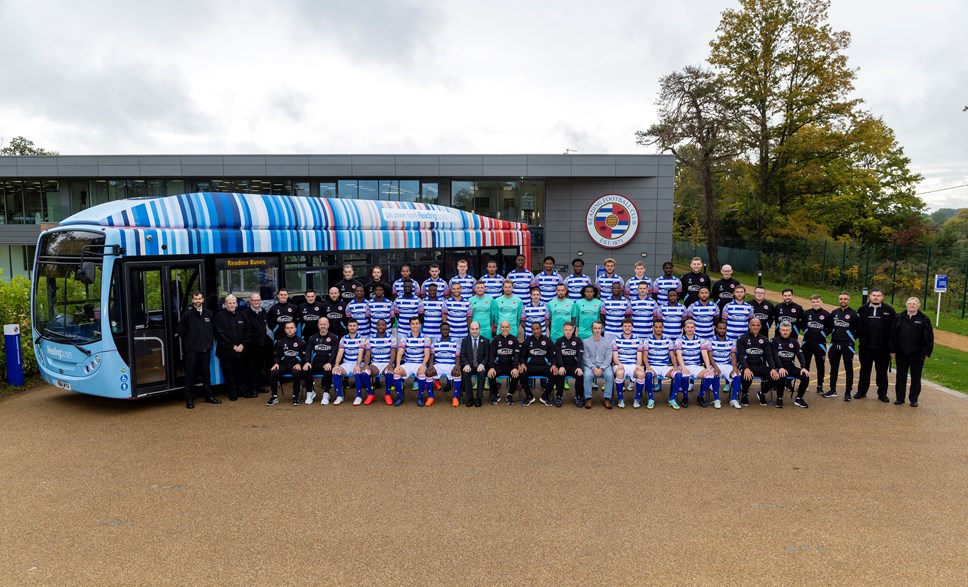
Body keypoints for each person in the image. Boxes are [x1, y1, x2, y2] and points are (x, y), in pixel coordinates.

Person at [177, 291, 220, 409]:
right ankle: (189, 399)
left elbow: (213, 330)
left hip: (205, 349)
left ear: (203, 300)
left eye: (199, 299)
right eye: (195, 299)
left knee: (206, 374)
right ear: (192, 300)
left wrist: (209, 341)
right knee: (190, 374)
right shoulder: (187, 315)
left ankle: (209, 396)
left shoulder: (209, 314)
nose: (197, 301)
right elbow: (180, 331)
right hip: (191, 351)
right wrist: (190, 342)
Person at [890, 297, 934, 407]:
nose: (912, 306)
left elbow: (929, 337)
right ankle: (900, 398)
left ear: (918, 305)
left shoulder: (924, 319)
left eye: (914, 304)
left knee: (916, 377)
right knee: (900, 376)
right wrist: (892, 350)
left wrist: (927, 352)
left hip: (917, 354)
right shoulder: (899, 317)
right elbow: (893, 335)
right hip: (901, 352)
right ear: (906, 305)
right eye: (909, 303)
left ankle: (913, 399)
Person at [855, 288, 896, 402]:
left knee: (882, 372)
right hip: (866, 347)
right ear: (870, 296)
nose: (876, 297)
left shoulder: (889, 310)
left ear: (882, 297)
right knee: (864, 370)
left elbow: (893, 330)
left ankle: (882, 393)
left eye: (878, 295)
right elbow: (857, 328)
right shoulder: (862, 309)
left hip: (882, 348)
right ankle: (861, 391)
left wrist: (892, 348)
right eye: (874, 295)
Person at [735, 318, 780, 407]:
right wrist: (746, 368)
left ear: (760, 326)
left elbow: (769, 356)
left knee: (775, 377)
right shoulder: (742, 338)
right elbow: (740, 356)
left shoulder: (764, 339)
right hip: (747, 365)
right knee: (747, 375)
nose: (755, 327)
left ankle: (762, 393)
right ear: (749, 326)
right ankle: (744, 394)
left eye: (757, 325)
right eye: (753, 325)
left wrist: (773, 369)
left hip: (760, 365)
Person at [214, 294, 251, 401]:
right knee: (229, 373)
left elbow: (248, 331)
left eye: (233, 303)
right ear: (225, 304)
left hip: (242, 350)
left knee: (242, 372)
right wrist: (233, 346)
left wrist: (243, 344)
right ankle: (233, 393)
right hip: (226, 351)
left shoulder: (242, 315)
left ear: (237, 304)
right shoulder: (219, 316)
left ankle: (243, 391)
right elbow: (219, 335)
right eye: (229, 303)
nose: (231, 305)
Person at [392, 317, 432, 406]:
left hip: (420, 363)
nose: (415, 325)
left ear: (420, 325)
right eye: (413, 324)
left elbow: (427, 354)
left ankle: (420, 397)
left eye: (417, 323)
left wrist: (423, 365)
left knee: (422, 374)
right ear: (410, 325)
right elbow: (400, 352)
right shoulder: (405, 337)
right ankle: (400, 397)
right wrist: (398, 365)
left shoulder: (425, 337)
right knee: (396, 373)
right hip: (408, 363)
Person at [770, 322, 811, 408]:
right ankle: (780, 398)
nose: (785, 332)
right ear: (780, 330)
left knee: (805, 375)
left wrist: (803, 367)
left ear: (791, 331)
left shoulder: (794, 342)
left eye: (787, 330)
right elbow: (775, 356)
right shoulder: (774, 341)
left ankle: (799, 398)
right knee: (782, 374)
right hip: (779, 367)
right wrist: (780, 367)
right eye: (783, 330)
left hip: (790, 367)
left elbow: (800, 355)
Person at [827, 292, 860, 400]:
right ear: (839, 300)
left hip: (847, 345)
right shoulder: (834, 313)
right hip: (835, 343)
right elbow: (830, 327)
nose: (843, 301)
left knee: (848, 368)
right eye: (841, 299)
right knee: (833, 368)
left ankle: (847, 392)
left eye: (845, 299)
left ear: (849, 301)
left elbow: (859, 330)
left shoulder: (854, 314)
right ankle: (832, 390)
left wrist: (851, 339)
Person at [267, 322, 308, 407]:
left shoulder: (301, 342)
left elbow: (304, 356)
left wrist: (300, 364)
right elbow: (278, 356)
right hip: (284, 364)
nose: (289, 330)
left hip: (295, 364)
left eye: (291, 328)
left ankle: (295, 396)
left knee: (296, 372)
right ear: (285, 330)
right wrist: (276, 363)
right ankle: (274, 396)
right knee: (273, 371)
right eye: (288, 328)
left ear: (295, 329)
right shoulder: (280, 342)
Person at [641, 320, 678, 409]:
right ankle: (651, 398)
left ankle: (672, 399)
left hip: (665, 367)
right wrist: (647, 366)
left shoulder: (668, 340)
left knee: (679, 375)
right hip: (653, 366)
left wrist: (675, 366)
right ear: (653, 328)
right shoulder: (647, 340)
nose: (658, 329)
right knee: (648, 374)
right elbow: (644, 355)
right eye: (656, 327)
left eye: (660, 327)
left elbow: (672, 355)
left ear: (663, 328)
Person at [303, 317, 339, 406]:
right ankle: (310, 391)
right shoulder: (313, 338)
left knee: (327, 371)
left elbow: (334, 352)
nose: (323, 326)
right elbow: (308, 351)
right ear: (318, 325)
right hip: (316, 362)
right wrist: (307, 362)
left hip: (327, 363)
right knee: (306, 369)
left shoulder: (333, 337)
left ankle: (326, 394)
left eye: (325, 324)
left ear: (328, 325)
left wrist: (330, 362)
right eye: (321, 324)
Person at [702, 320, 737, 409]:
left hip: (726, 365)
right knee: (715, 374)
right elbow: (710, 356)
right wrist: (716, 368)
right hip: (714, 365)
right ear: (716, 329)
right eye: (720, 328)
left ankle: (734, 399)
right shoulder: (710, 341)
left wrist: (734, 368)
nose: (722, 330)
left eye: (724, 328)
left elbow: (733, 357)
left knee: (737, 375)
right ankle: (717, 399)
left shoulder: (731, 341)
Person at [611, 318, 646, 409]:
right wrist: (619, 364)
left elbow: (639, 357)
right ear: (622, 328)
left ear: (632, 328)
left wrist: (638, 365)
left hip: (633, 364)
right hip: (620, 363)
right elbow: (615, 357)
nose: (627, 328)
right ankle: (620, 398)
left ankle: (637, 398)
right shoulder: (616, 339)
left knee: (641, 374)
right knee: (619, 373)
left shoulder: (638, 340)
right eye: (625, 326)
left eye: (629, 326)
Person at [673, 319, 708, 408]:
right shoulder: (679, 340)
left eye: (692, 327)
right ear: (684, 329)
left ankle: (700, 396)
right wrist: (683, 368)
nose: (690, 329)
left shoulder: (701, 340)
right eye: (688, 327)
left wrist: (708, 368)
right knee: (685, 375)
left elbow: (704, 354)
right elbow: (679, 356)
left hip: (696, 366)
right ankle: (685, 397)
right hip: (684, 365)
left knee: (710, 375)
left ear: (694, 328)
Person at [519, 321, 555, 406]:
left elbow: (553, 356)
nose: (536, 331)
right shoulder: (527, 341)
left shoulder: (548, 341)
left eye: (537, 328)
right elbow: (522, 356)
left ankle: (545, 396)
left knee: (555, 374)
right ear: (531, 330)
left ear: (541, 329)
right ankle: (529, 396)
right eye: (533, 329)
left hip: (544, 366)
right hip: (530, 366)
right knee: (521, 373)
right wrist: (522, 363)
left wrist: (553, 365)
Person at [331, 318, 366, 406]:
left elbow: (360, 353)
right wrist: (336, 365)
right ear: (347, 327)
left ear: (357, 327)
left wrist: (358, 365)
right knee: (336, 371)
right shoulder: (343, 338)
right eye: (350, 326)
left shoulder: (362, 339)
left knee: (357, 371)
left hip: (358, 363)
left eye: (354, 326)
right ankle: (339, 396)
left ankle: (358, 396)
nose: (352, 327)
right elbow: (340, 353)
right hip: (347, 363)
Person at [242, 292, 272, 396]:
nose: (256, 302)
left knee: (260, 368)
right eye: (254, 300)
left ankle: (259, 386)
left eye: (258, 300)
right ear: (250, 301)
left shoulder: (263, 311)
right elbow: (246, 330)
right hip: (251, 346)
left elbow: (266, 328)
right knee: (252, 368)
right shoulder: (245, 313)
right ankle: (253, 389)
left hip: (262, 345)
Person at [427, 322, 463, 407]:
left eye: (447, 329)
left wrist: (457, 366)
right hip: (438, 365)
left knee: (457, 373)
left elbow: (457, 357)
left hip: (450, 365)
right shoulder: (435, 342)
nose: (445, 331)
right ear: (440, 330)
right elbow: (432, 356)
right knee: (428, 373)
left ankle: (455, 398)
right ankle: (431, 397)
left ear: (449, 330)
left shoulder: (455, 343)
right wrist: (430, 366)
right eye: (443, 329)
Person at [801, 294, 831, 395]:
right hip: (807, 343)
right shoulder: (806, 313)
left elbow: (830, 328)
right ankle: (805, 385)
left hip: (820, 344)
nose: (816, 304)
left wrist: (823, 334)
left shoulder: (827, 315)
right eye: (813, 302)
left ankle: (819, 386)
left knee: (820, 365)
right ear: (811, 302)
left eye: (817, 301)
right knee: (805, 365)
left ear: (821, 302)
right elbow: (802, 326)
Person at [363, 318, 397, 405]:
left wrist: (390, 365)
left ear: (386, 326)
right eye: (379, 325)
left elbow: (393, 353)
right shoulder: (370, 339)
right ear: (376, 326)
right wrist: (366, 364)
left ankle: (387, 394)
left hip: (387, 362)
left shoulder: (392, 338)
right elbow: (367, 354)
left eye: (383, 325)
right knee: (364, 372)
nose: (380, 326)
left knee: (389, 373)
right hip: (375, 364)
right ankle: (370, 394)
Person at [488, 320, 521, 405]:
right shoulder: (495, 339)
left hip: (510, 365)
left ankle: (510, 394)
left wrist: (515, 367)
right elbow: (491, 355)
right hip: (498, 365)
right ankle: (496, 394)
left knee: (516, 374)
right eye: (503, 327)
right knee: (490, 374)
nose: (505, 329)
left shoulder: (514, 339)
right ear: (500, 328)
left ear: (510, 328)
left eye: (506, 327)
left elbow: (517, 355)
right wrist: (491, 367)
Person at [582, 321, 613, 408]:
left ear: (602, 329)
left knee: (610, 375)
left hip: (604, 366)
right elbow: (585, 358)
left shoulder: (607, 342)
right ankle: (588, 398)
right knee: (587, 376)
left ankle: (607, 398)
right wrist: (593, 368)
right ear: (592, 329)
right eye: (595, 328)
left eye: (599, 328)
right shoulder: (586, 342)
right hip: (590, 366)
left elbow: (608, 358)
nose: (597, 330)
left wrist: (601, 369)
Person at [551, 322, 583, 408]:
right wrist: (560, 366)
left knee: (579, 375)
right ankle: (559, 396)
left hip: (573, 365)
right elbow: (558, 355)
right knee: (560, 374)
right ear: (563, 330)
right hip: (563, 365)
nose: (568, 332)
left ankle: (578, 396)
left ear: (573, 330)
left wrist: (579, 367)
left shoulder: (578, 341)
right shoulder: (559, 341)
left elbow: (580, 356)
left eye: (570, 330)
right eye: (566, 330)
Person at [459, 321, 490, 407]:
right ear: (469, 329)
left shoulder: (486, 341)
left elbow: (487, 356)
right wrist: (465, 364)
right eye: (472, 329)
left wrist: (483, 364)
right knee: (465, 373)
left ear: (479, 329)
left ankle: (479, 398)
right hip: (469, 365)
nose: (474, 331)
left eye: (476, 329)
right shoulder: (465, 340)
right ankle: (469, 398)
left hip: (480, 365)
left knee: (482, 373)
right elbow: (462, 355)